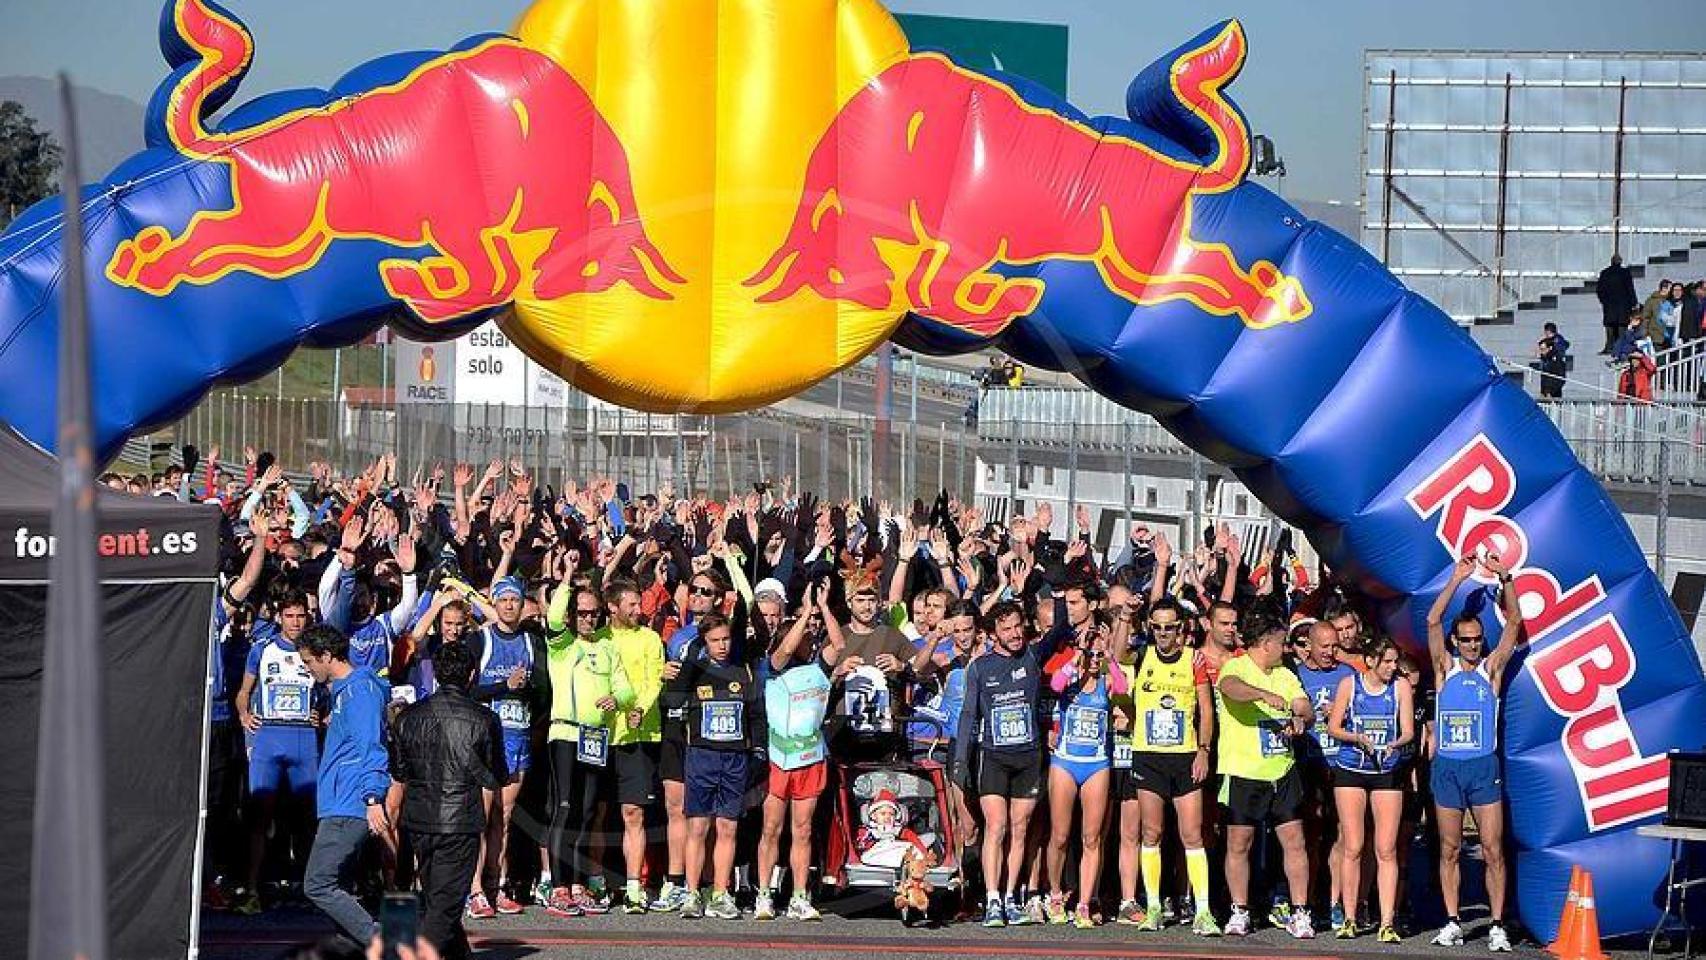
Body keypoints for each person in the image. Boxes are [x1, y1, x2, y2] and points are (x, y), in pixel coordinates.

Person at [1426, 555, 1525, 953]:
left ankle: (1497, 924)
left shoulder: (1491, 670)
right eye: (1465, 639)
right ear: (1455, 641)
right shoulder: (1444, 668)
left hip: (1484, 767)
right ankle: (1452, 920)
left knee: (1492, 849)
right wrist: (1455, 579)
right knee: (1449, 848)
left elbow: (1515, 623)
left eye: (1476, 640)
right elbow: (1433, 621)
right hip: (1448, 768)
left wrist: (1506, 578)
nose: (1471, 645)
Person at [390, 639, 504, 960]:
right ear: (472, 675)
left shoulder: (407, 717)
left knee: (440, 901)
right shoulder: (483, 719)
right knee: (444, 906)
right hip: (459, 821)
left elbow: (399, 771)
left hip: (418, 820)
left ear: (437, 674)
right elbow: (497, 774)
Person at [955, 600, 1059, 928]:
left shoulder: (1031, 655)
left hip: (1028, 755)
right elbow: (969, 714)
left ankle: (1012, 896)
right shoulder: (980, 667)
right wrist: (960, 761)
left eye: (1018, 626)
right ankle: (992, 898)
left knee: (1020, 828)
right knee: (995, 826)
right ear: (992, 634)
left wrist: (1055, 585)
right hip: (993, 756)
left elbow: (1061, 629)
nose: (1015, 634)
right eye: (1006, 629)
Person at [1215, 612, 1317, 939]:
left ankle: (1300, 912)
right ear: (1265, 643)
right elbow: (1230, 688)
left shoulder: (1285, 674)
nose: (1285, 648)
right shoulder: (1236, 667)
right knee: (1239, 843)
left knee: (1294, 841)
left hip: (1282, 770)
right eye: (1282, 642)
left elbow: (1305, 705)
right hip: (1243, 771)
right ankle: (1239, 910)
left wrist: (1300, 717)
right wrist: (1261, 694)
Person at [1123, 598, 1217, 935]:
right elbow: (1117, 656)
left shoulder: (1194, 660)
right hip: (1149, 756)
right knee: (1152, 832)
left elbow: (1206, 710)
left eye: (1170, 627)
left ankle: (1203, 911)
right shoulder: (1141, 655)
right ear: (1151, 627)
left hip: (1185, 754)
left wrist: (1203, 750)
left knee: (1192, 834)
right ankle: (1152, 907)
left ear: (1181, 628)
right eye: (1157, 626)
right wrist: (1125, 616)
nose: (1163, 633)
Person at [541, 580, 632, 916]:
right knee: (565, 807)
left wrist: (617, 699)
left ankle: (578, 884)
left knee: (588, 810)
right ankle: (559, 886)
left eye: (594, 614)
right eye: (582, 614)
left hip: (596, 737)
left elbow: (625, 690)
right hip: (565, 733)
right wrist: (565, 581)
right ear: (572, 616)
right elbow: (552, 619)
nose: (589, 620)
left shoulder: (608, 649)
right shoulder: (562, 645)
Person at [301, 624, 394, 948]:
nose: (308, 670)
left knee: (318, 884)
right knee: (338, 887)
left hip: (349, 802)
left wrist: (372, 798)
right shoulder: (345, 693)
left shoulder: (358, 692)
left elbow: (372, 747)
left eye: (310, 662)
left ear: (327, 656)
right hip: (340, 800)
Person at [755, 582, 842, 921]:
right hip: (779, 760)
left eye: (808, 633)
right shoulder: (772, 669)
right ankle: (764, 893)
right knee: (771, 829)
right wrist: (805, 613)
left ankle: (800, 896)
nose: (805, 637)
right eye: (800, 633)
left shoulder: (819, 669)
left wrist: (823, 605)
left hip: (810, 760)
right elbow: (785, 652)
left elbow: (839, 644)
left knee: (802, 830)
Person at [671, 612, 766, 920]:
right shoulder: (695, 669)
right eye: (714, 641)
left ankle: (721, 894)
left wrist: (759, 749)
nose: (722, 645)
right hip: (702, 755)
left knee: (728, 826)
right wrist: (691, 661)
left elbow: (755, 715)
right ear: (704, 642)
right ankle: (691, 893)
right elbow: (671, 701)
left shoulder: (743, 671)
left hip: (735, 758)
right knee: (698, 826)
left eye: (725, 639)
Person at [464, 575, 548, 917]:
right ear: (494, 604)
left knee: (505, 816)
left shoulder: (532, 642)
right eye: (503, 600)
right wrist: (504, 685)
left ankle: (497, 887)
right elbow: (466, 692)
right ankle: (475, 891)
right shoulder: (479, 640)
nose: (510, 605)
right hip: (485, 740)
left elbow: (543, 693)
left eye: (515, 600)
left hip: (518, 737)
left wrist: (523, 689)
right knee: (480, 818)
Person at [233, 589, 321, 914]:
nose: (296, 622)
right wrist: (244, 714)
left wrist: (321, 716)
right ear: (279, 617)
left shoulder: (316, 650)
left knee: (308, 819)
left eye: (301, 616)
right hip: (269, 737)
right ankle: (253, 888)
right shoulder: (262, 649)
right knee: (260, 817)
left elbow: (330, 691)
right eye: (290, 616)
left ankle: (314, 891)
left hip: (304, 739)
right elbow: (243, 693)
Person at [1326, 638, 1414, 942]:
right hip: (1351, 768)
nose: (1393, 667)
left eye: (1395, 661)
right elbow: (1333, 727)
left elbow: (1408, 732)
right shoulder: (1350, 685)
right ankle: (1349, 917)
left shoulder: (1400, 687)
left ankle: (1386, 922)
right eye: (1387, 661)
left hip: (1386, 771)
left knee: (1386, 848)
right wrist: (1356, 737)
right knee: (1353, 846)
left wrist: (1395, 745)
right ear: (1371, 660)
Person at [1042, 619, 1127, 928]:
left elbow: (1122, 687)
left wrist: (1109, 656)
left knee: (1092, 837)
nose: (1093, 661)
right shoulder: (1072, 678)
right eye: (1089, 655)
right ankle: (1054, 894)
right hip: (1065, 762)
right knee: (1061, 835)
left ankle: (1083, 902)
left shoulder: (1104, 682)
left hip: (1096, 765)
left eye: (1096, 656)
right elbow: (1054, 686)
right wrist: (1077, 655)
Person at [1294, 620, 1355, 929]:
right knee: (1311, 837)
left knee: (1343, 835)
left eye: (1335, 646)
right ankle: (1308, 900)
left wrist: (1341, 713)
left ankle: (1335, 902)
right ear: (1309, 644)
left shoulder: (1348, 674)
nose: (1331, 652)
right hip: (1310, 764)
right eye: (1324, 646)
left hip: (1343, 764)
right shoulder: (1296, 675)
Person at [1597, 253, 1637, 354]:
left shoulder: (1605, 273)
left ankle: (1609, 347)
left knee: (1609, 326)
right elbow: (1630, 289)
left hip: (1609, 305)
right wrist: (1634, 303)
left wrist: (1604, 301)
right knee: (1621, 327)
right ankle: (1620, 348)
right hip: (1623, 306)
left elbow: (1599, 290)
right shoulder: (1625, 272)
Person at [1535, 323, 1569, 400]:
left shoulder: (1558, 342)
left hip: (1554, 374)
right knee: (1546, 395)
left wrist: (1547, 353)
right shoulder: (1546, 342)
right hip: (1547, 374)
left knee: (1552, 395)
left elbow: (1558, 350)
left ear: (1548, 331)